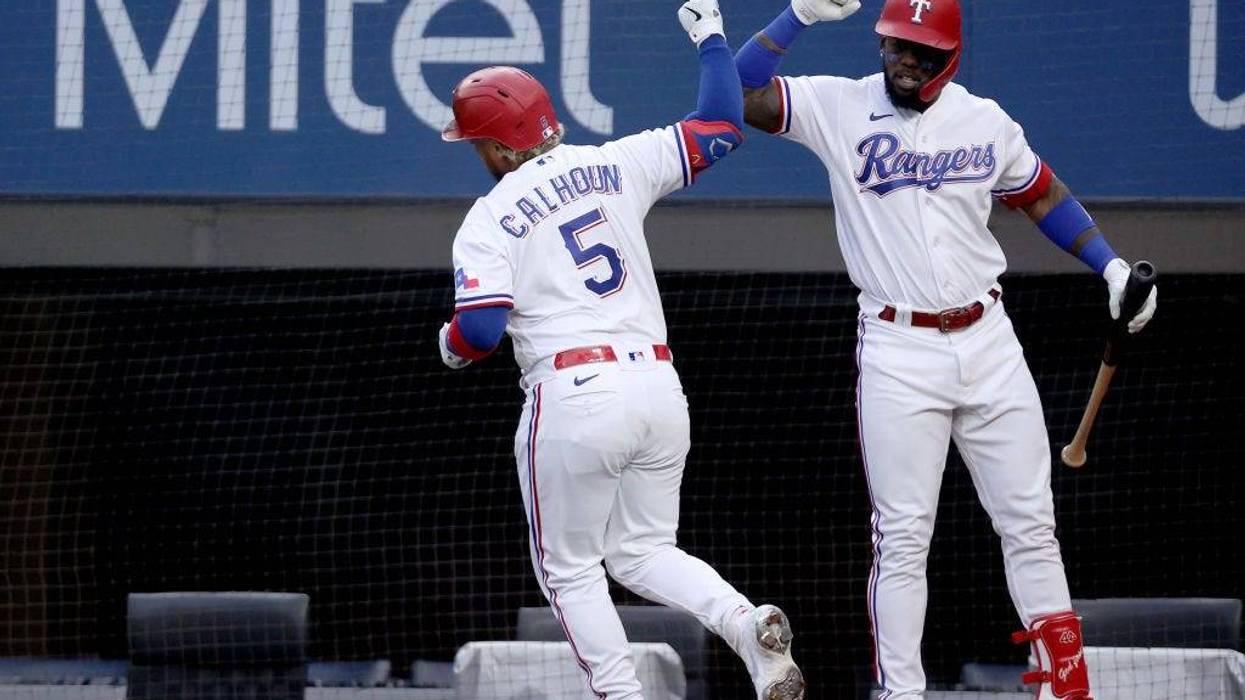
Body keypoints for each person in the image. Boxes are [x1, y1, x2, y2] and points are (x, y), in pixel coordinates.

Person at [731, 0, 1158, 698]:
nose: (904, 59)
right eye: (896, 44)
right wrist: (795, 18)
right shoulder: (838, 105)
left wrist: (1108, 266)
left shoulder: (983, 120)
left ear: (948, 59)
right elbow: (734, 93)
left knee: (1029, 522)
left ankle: (1064, 684)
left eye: (921, 51)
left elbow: (1042, 194)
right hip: (898, 347)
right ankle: (900, 692)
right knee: (900, 538)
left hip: (987, 337)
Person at [436, 2, 804, 698]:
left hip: (574, 396)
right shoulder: (615, 161)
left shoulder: (486, 219)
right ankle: (746, 625)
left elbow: (480, 330)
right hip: (658, 389)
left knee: (567, 569)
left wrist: (450, 345)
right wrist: (710, 39)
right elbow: (722, 126)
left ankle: (619, 693)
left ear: (494, 146)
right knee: (640, 550)